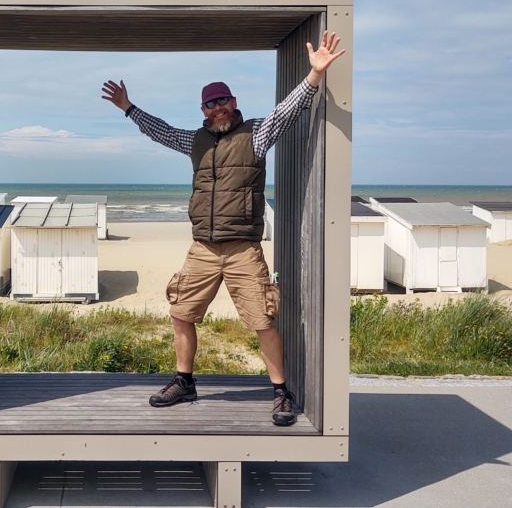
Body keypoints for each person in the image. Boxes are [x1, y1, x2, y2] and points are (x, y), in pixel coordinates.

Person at [100, 31, 346, 426]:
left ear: (233, 103)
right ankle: (184, 382)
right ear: (203, 109)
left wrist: (314, 75)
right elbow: (160, 130)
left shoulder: (256, 134)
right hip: (202, 248)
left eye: (222, 101)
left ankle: (280, 393)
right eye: (209, 104)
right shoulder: (195, 141)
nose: (216, 108)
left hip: (243, 249)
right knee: (181, 313)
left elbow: (287, 112)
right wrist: (129, 108)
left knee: (262, 321)